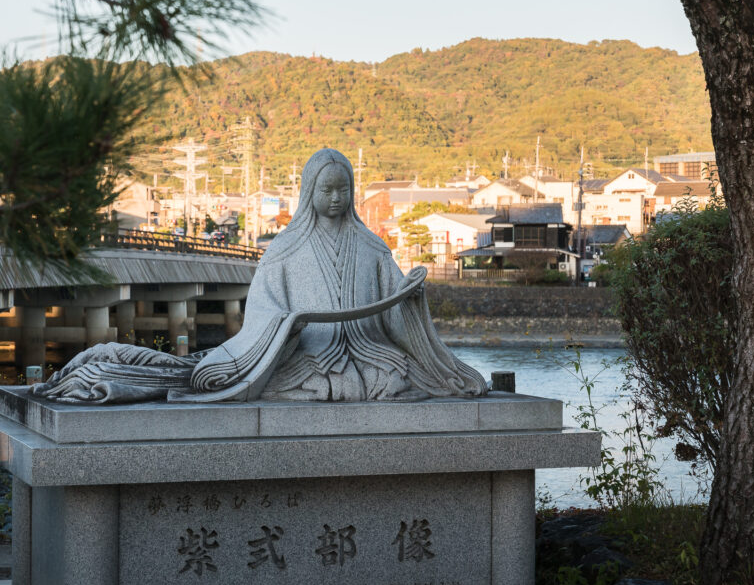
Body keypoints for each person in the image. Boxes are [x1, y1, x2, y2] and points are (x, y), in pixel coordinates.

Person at [32, 148, 486, 403]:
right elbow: (264, 309)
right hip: (302, 355)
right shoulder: (285, 249)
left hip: (369, 353)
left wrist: (409, 295)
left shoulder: (372, 248)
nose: (335, 198)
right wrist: (285, 328)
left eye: (342, 190)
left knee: (394, 378)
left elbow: (393, 313)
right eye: (325, 190)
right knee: (206, 375)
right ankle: (110, 368)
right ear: (309, 192)